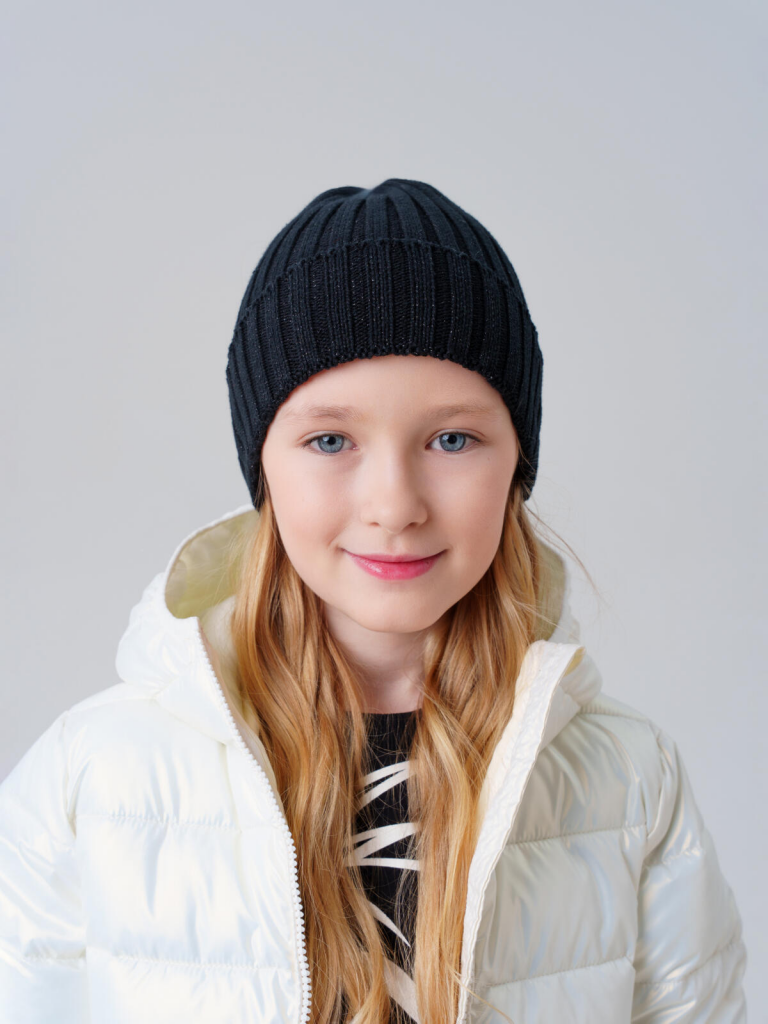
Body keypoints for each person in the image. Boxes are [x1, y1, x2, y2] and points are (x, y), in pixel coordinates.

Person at [0, 179, 747, 1024]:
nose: (394, 504)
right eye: (330, 440)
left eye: (452, 439)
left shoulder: (631, 782)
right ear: (263, 467)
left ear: (517, 464)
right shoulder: (90, 779)